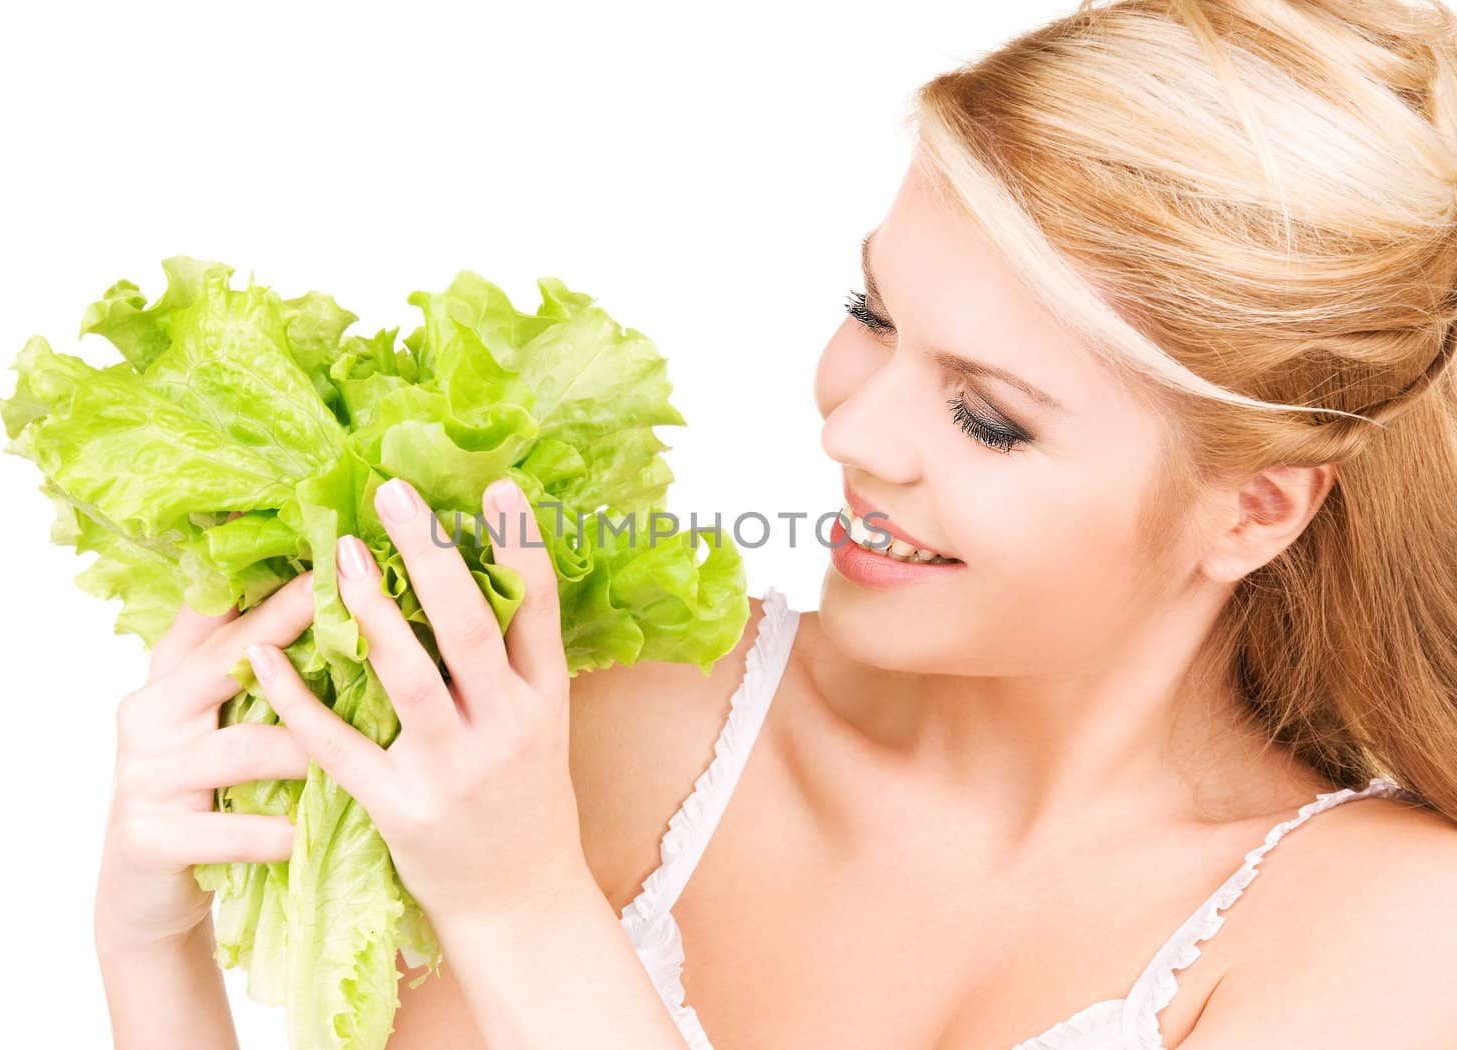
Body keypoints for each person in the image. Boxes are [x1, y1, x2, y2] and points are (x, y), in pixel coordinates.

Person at [94, 1, 1457, 1047]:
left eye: (988, 416)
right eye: (873, 316)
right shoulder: (613, 727)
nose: (853, 435)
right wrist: (150, 944)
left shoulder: (1386, 933)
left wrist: (523, 907)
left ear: (1252, 512)